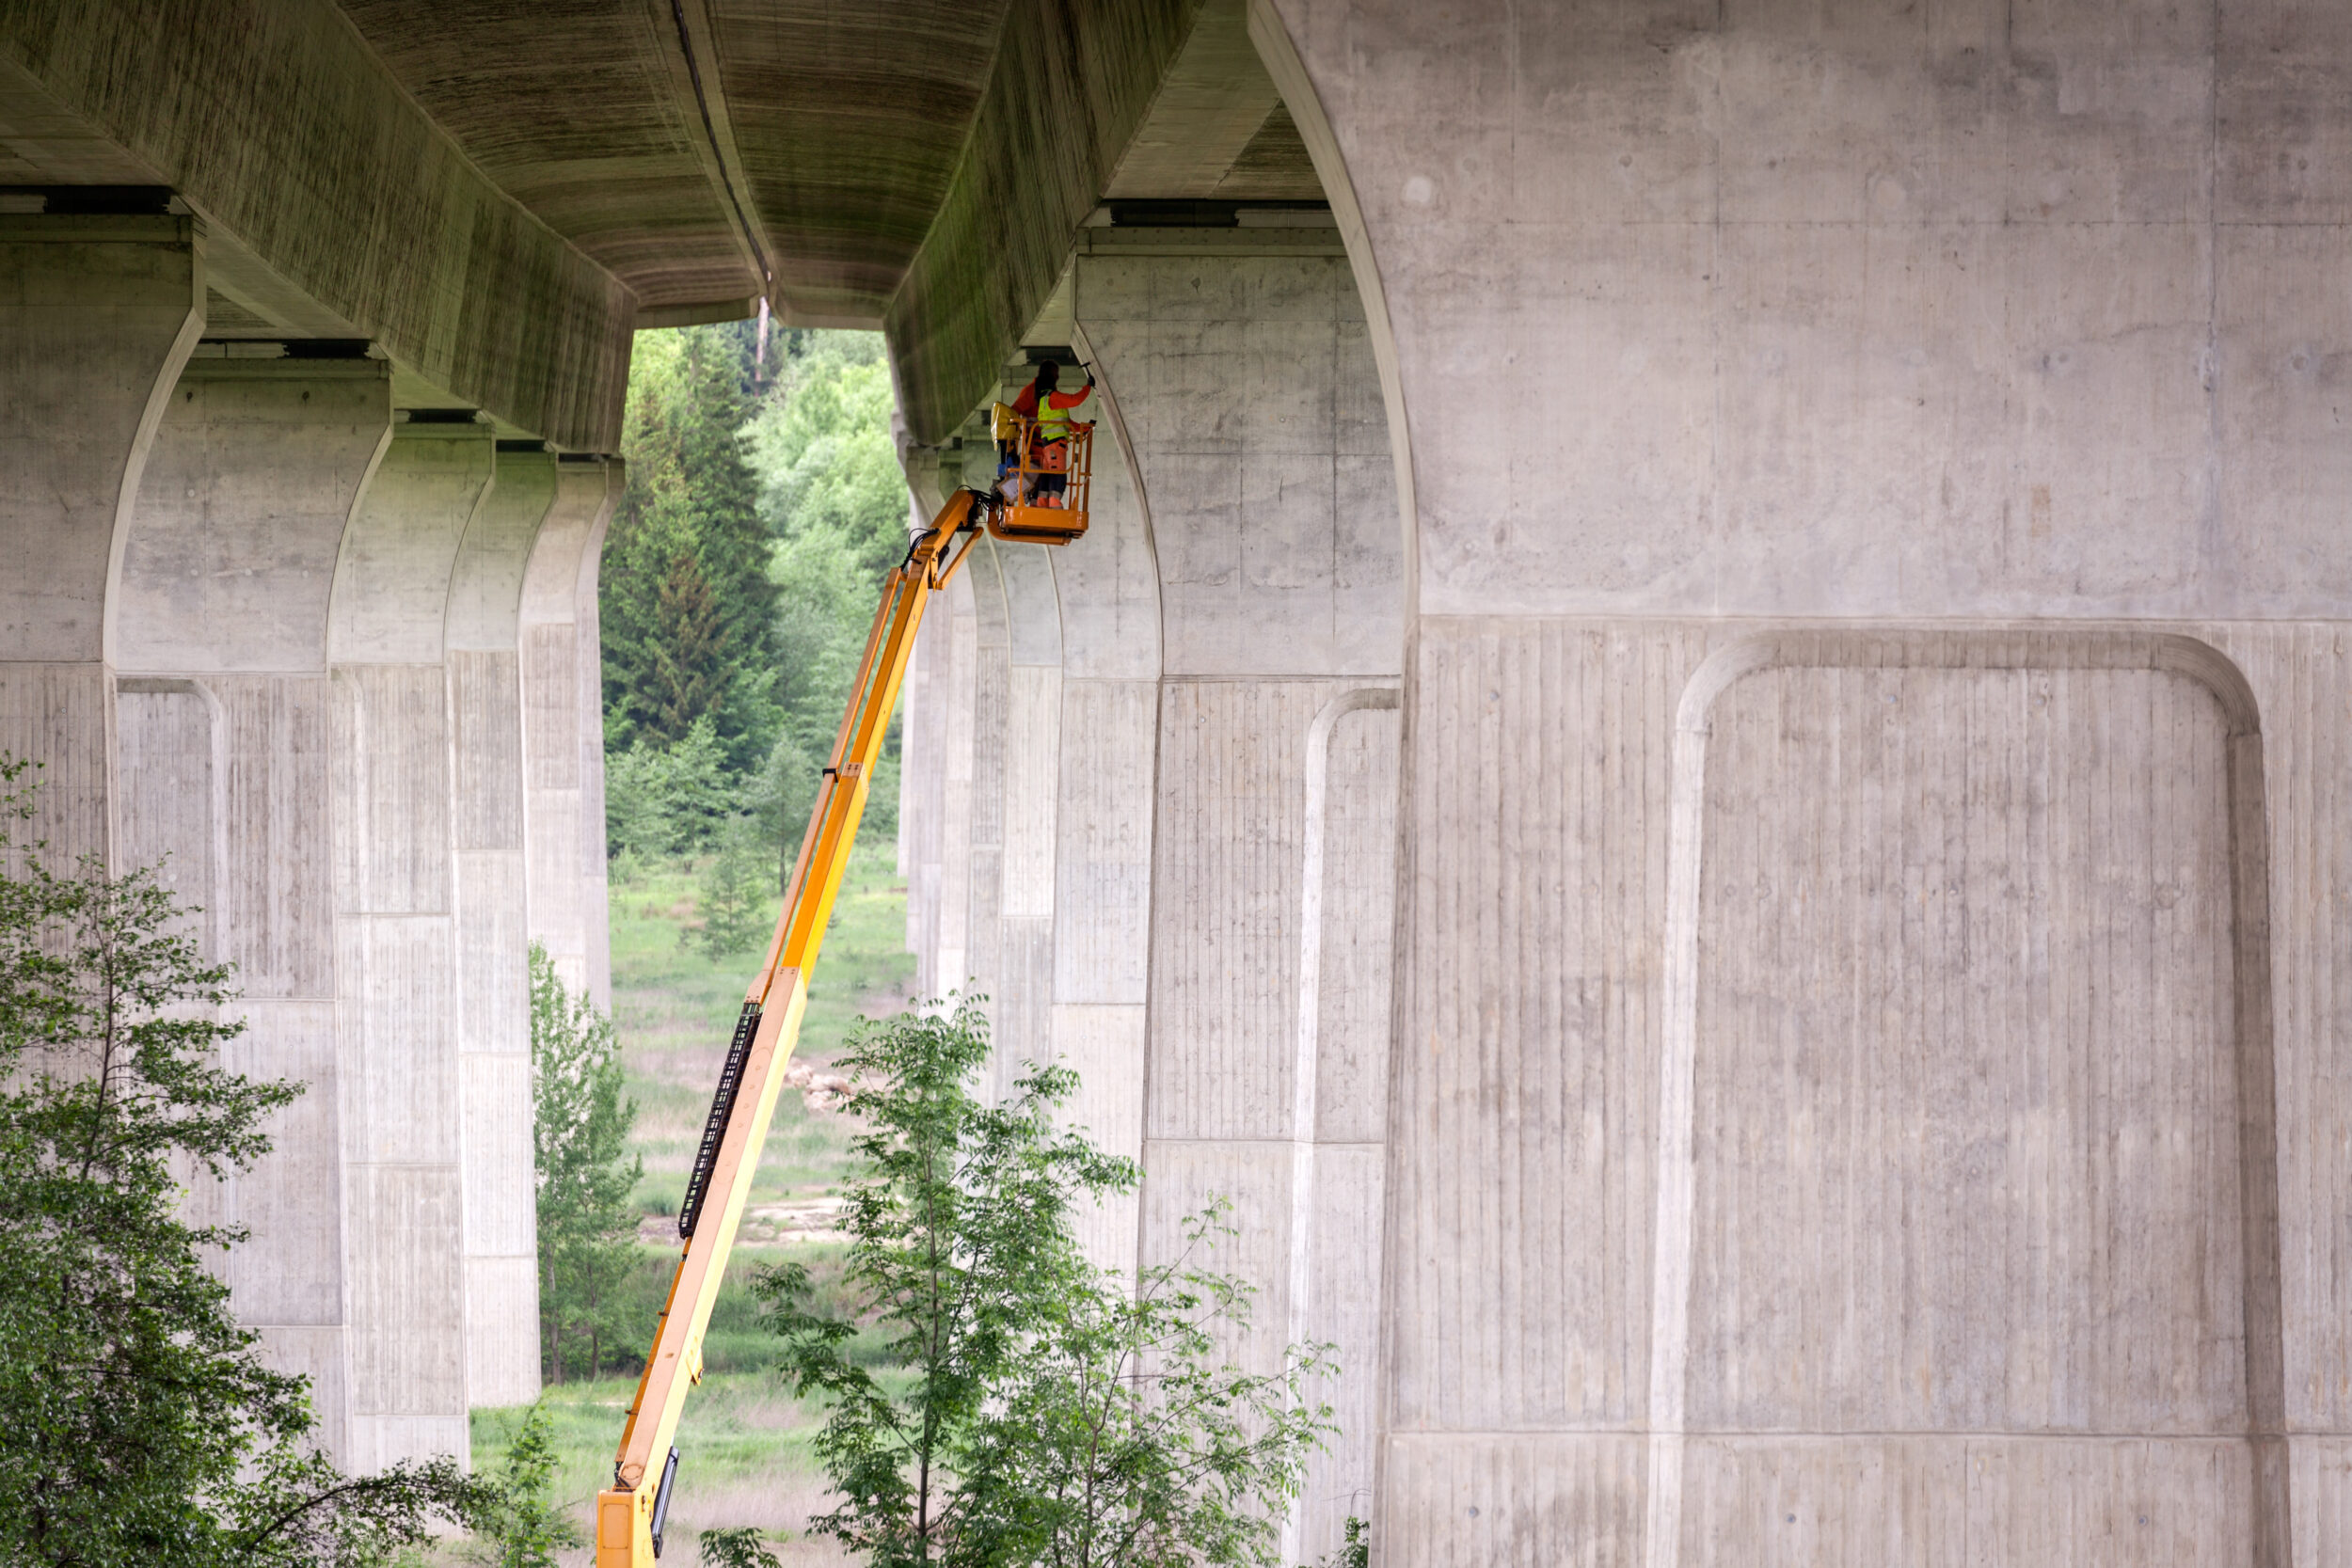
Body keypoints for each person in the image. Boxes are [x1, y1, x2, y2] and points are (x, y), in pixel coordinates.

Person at [1000, 359, 1093, 508]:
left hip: (1044, 445)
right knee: (1054, 475)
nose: (1057, 378)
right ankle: (1052, 505)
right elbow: (1074, 401)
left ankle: (1037, 505)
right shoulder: (1042, 395)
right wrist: (1088, 386)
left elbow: (1063, 421)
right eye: (1056, 375)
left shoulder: (1043, 398)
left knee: (1043, 477)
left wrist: (1080, 428)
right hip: (1040, 445)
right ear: (1051, 376)